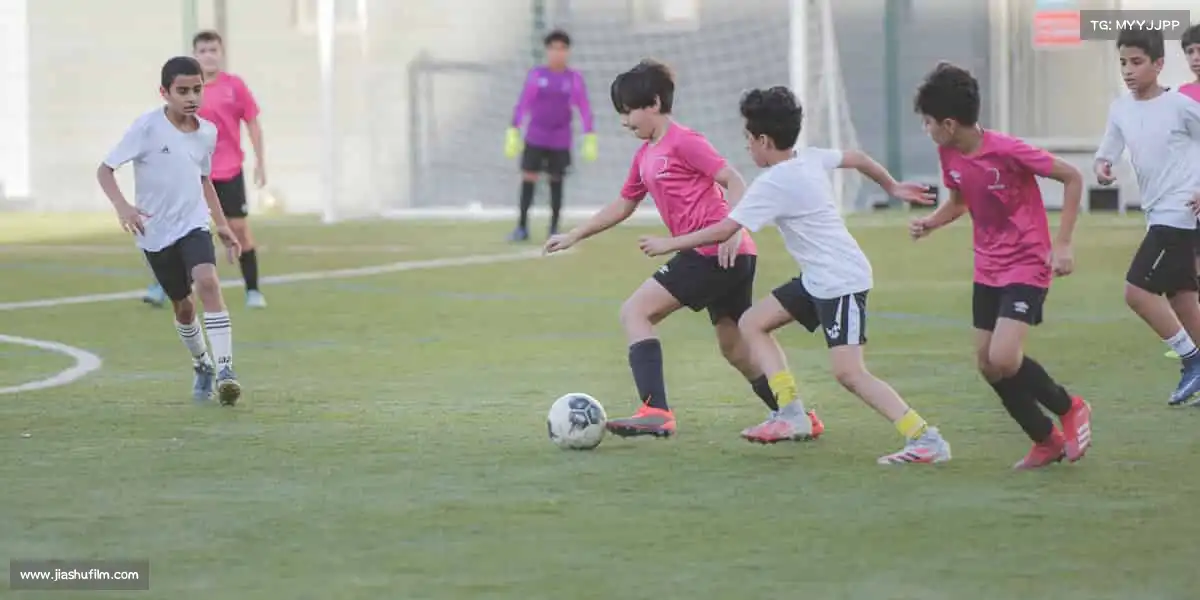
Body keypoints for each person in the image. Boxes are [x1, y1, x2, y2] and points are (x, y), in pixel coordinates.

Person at [638, 86, 949, 464]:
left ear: (764, 141)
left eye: (748, 139)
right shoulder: (809, 157)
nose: (747, 147)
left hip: (841, 280)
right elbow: (857, 158)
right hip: (818, 277)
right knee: (752, 323)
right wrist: (892, 186)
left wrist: (669, 244)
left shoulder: (774, 183)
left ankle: (925, 438)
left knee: (849, 373)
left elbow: (724, 229)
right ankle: (791, 414)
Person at [543, 60, 819, 438]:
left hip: (712, 251)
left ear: (655, 103)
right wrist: (576, 234)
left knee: (635, 312)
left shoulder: (684, 141)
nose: (624, 121)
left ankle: (655, 410)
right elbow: (623, 205)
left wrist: (734, 230)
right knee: (735, 348)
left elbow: (734, 180)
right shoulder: (644, 156)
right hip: (727, 255)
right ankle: (794, 414)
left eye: (629, 111)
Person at [910, 62, 1092, 469]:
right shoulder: (949, 152)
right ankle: (1045, 440)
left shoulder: (1008, 151)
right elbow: (959, 200)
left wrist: (1063, 243)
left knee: (1005, 357)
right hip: (987, 267)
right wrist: (932, 223)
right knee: (988, 364)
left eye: (928, 122)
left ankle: (1070, 406)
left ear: (949, 124)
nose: (926, 129)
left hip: (1027, 262)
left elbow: (1072, 177)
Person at [98, 56, 243, 406]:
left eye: (197, 89)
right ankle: (202, 363)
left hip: (193, 223)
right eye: (183, 91)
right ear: (165, 92)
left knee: (208, 281)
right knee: (184, 307)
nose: (191, 97)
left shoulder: (206, 132)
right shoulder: (147, 128)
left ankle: (226, 371)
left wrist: (222, 224)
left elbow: (204, 179)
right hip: (154, 231)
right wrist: (123, 207)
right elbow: (105, 170)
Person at [1094, 29, 1200, 404]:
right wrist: (1102, 164)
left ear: (1158, 64)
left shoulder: (1180, 106)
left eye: (1137, 62)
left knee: (1137, 292)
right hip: (1156, 212)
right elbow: (1109, 146)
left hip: (1179, 212)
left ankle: (1192, 360)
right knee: (1182, 297)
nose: (1128, 70)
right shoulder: (1121, 108)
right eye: (1123, 62)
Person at [142, 30, 269, 309]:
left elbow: (252, 122)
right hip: (191, 172)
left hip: (228, 170)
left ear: (221, 54)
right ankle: (163, 286)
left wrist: (260, 161)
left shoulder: (235, 86)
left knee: (238, 229)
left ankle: (253, 290)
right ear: (195, 55)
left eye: (213, 50)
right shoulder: (187, 89)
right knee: (176, 228)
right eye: (203, 51)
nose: (209, 56)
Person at [505, 29, 596, 241]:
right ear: (547, 51)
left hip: (560, 139)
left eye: (562, 49)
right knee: (529, 177)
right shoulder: (537, 75)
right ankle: (522, 227)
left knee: (557, 180)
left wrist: (589, 134)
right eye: (554, 49)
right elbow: (524, 102)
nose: (558, 53)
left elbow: (584, 107)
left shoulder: (573, 78)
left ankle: (554, 228)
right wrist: (514, 129)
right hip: (536, 136)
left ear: (568, 52)